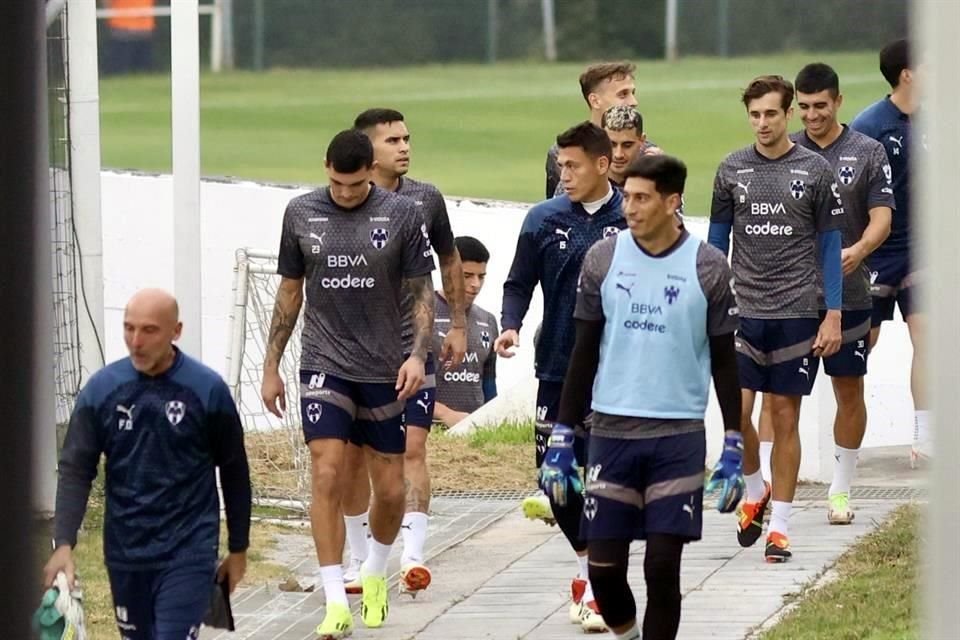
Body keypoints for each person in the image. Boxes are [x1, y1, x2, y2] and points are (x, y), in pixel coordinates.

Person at [541, 154, 744, 640]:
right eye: (626, 196)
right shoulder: (604, 259)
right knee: (604, 569)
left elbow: (724, 361)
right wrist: (564, 432)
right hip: (611, 434)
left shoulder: (709, 267)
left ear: (672, 202)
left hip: (677, 437)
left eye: (640, 198)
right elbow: (583, 351)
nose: (628, 207)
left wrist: (735, 441)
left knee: (661, 566)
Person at [261, 129, 435, 638]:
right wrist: (272, 366)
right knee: (326, 471)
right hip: (323, 361)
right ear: (326, 169)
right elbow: (290, 293)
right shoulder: (300, 213)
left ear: (369, 176)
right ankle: (335, 600)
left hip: (384, 366)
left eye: (355, 186)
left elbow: (423, 295)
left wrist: (418, 356)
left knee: (388, 488)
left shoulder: (401, 215)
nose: (345, 194)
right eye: (337, 184)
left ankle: (376, 572)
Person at [43, 288, 251, 639]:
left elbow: (234, 472)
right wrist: (63, 542)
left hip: (189, 551)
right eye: (128, 328)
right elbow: (76, 469)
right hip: (126, 552)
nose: (135, 341)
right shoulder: (102, 391)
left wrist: (238, 547)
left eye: (149, 330)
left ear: (176, 331)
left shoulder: (207, 390)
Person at [496, 121, 627, 632]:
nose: (562, 174)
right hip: (556, 366)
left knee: (603, 480)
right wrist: (509, 326)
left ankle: (597, 587)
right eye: (559, 165)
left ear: (601, 164)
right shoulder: (542, 219)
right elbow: (518, 282)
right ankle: (585, 567)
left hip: (618, 372)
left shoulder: (631, 215)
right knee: (557, 481)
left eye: (572, 166)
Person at [709, 75, 844, 562]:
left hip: (797, 312)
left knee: (785, 417)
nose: (762, 123)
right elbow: (715, 246)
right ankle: (754, 489)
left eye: (770, 113)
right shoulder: (730, 170)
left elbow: (830, 246)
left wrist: (832, 314)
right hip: (743, 312)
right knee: (736, 413)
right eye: (754, 115)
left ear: (788, 114)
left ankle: (781, 527)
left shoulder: (814, 170)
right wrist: (708, 307)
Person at [755, 63, 894, 524]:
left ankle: (840, 489)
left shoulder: (867, 152)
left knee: (848, 389)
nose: (813, 116)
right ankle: (770, 492)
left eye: (821, 106)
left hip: (850, 293)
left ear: (838, 102)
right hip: (788, 297)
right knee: (778, 398)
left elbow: (882, 217)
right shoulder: (780, 150)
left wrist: (859, 249)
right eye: (806, 107)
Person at [338, 108, 467, 597]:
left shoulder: (425, 198)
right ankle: (360, 557)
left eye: (407, 138)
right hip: (352, 351)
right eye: (393, 140)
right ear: (367, 150)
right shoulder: (343, 199)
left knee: (413, 446)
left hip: (413, 345)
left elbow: (449, 257)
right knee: (354, 458)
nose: (405, 147)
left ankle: (412, 556)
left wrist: (455, 323)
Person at [850, 39, 929, 465]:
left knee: (930, 340)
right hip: (877, 254)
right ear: (908, 73)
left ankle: (926, 438)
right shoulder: (870, 126)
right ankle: (847, 439)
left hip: (923, 251)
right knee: (862, 346)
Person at [545, 62, 644, 198]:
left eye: (633, 93)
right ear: (595, 101)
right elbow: (557, 208)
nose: (633, 101)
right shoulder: (564, 152)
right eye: (623, 95)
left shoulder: (647, 151)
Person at [432, 236, 498, 426]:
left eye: (481, 276)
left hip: (473, 429)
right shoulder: (421, 314)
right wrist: (444, 414)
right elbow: (397, 385)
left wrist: (490, 422)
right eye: (467, 275)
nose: (475, 284)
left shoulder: (488, 320)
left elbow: (489, 384)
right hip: (429, 426)